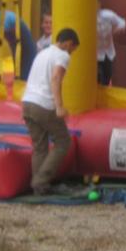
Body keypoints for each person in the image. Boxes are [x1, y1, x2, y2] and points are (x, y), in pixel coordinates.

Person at [22, 27, 79, 195]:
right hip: (44, 104)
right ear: (69, 43)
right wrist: (59, 106)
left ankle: (38, 187)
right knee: (63, 141)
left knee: (40, 147)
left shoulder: (42, 53)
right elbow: (55, 78)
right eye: (73, 49)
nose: (71, 53)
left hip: (28, 102)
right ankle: (41, 180)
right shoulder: (62, 55)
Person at [96, 6, 126, 86]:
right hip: (95, 54)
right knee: (97, 76)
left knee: (108, 75)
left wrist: (115, 31)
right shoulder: (88, 19)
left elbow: (122, 23)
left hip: (108, 52)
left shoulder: (107, 15)